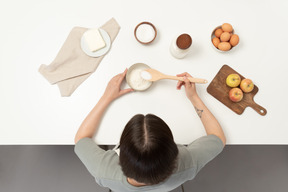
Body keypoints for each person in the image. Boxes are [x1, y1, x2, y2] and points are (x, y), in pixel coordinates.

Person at [74, 69, 226, 192]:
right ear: (174, 151)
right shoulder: (187, 164)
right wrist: (193, 97)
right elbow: (218, 137)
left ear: (121, 159)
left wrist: (106, 97)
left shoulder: (104, 171)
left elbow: (81, 138)